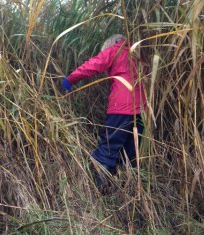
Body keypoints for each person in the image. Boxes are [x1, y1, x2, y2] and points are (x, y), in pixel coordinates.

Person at [62, 34, 145, 193]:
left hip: (120, 108)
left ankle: (98, 191)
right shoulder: (138, 54)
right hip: (141, 111)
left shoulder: (115, 50)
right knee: (130, 154)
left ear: (112, 42)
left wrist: (70, 79)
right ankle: (129, 193)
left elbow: (93, 65)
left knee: (108, 148)